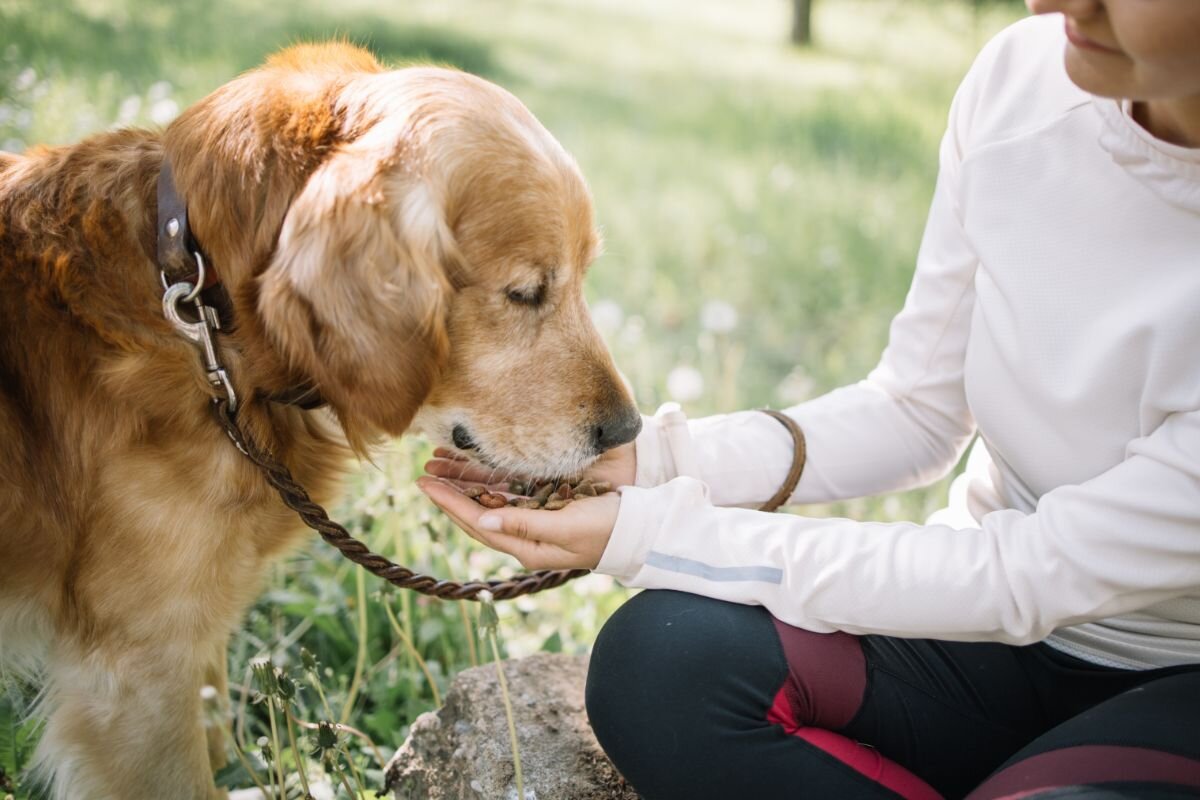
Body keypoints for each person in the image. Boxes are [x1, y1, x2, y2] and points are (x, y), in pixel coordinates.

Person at [418, 0, 1200, 796]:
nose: (1056, 2)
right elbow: (915, 411)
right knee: (662, 662)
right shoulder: (1022, 80)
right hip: (984, 649)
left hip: (1172, 681)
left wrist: (652, 534)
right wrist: (652, 462)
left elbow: (1025, 576)